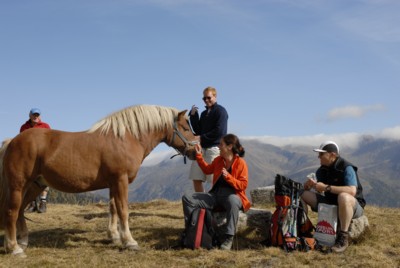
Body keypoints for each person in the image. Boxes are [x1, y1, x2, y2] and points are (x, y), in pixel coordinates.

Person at [182, 134, 251, 250]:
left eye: (221, 144)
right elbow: (207, 170)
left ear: (229, 147)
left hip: (234, 196)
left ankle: (229, 238)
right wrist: (199, 156)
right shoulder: (219, 160)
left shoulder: (241, 163)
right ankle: (191, 231)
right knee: (188, 198)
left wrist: (229, 177)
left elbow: (243, 185)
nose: (218, 147)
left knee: (232, 200)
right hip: (215, 195)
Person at [301, 141, 366, 253]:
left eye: (321, 154)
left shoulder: (346, 168)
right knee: (301, 193)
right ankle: (304, 229)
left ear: (332, 155)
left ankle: (343, 237)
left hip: (352, 206)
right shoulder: (321, 170)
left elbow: (352, 190)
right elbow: (318, 188)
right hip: (331, 203)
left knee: (344, 197)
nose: (318, 157)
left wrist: (326, 187)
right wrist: (308, 186)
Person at [189, 86, 228, 192]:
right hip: (201, 150)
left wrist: (202, 137)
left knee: (214, 179)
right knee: (196, 178)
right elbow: (198, 130)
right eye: (204, 98)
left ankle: (214, 206)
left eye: (208, 98)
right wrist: (193, 116)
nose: (206, 100)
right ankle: (202, 205)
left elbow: (220, 132)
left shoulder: (221, 111)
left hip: (214, 149)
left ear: (215, 96)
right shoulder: (203, 114)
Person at [21, 108, 51, 213]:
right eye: (34, 115)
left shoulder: (45, 126)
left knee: (44, 179)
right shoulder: (24, 127)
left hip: (42, 156)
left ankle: (43, 203)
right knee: (30, 180)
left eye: (37, 115)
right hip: (29, 157)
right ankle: (32, 204)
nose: (36, 117)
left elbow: (51, 141)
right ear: (30, 115)